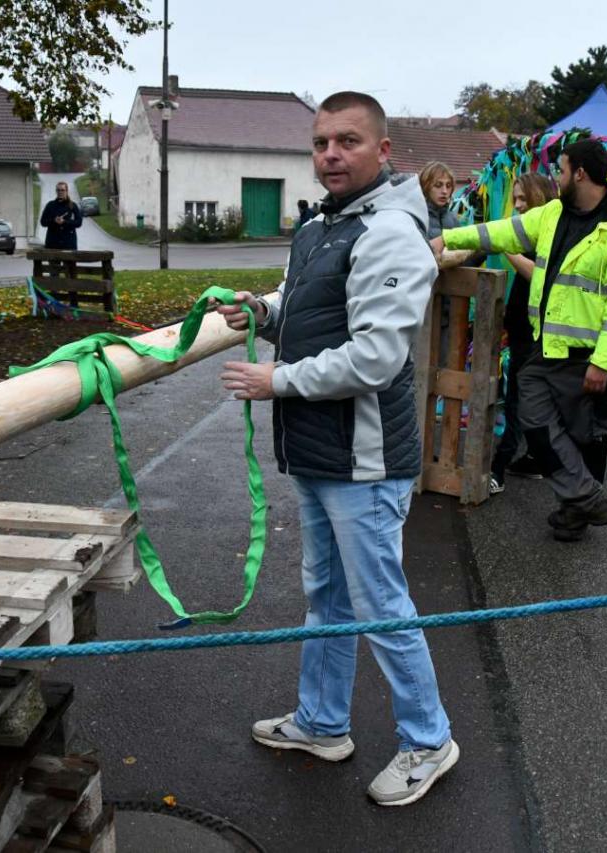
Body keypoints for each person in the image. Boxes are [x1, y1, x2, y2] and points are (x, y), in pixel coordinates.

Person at [215, 90, 458, 807]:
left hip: (366, 461)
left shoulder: (389, 231)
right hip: (320, 453)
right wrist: (262, 311)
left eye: (347, 141)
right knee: (327, 597)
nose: (330, 154)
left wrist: (276, 380)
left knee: (381, 605)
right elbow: (307, 302)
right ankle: (322, 723)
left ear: (383, 151)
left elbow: (377, 357)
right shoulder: (323, 225)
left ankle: (429, 740)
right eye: (321, 142)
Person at [435, 139, 607, 541]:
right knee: (536, 419)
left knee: (583, 434)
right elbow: (504, 232)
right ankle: (586, 497)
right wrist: (449, 239)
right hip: (550, 347)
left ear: (580, 174)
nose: (556, 177)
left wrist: (602, 363)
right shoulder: (555, 213)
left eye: (561, 170)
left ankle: (574, 513)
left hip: (590, 354)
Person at [489, 172, 558, 494]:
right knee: (523, 397)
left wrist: (509, 250)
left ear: (538, 197)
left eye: (522, 198)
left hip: (534, 332)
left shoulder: (550, 233)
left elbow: (540, 276)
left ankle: (498, 470)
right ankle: (537, 458)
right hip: (520, 328)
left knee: (518, 398)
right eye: (515, 198)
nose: (517, 204)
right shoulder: (528, 232)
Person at [419, 161, 459, 238]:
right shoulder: (417, 218)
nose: (445, 191)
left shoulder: (454, 219)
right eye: (438, 185)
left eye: (448, 186)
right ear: (425, 187)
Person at [40, 181, 83, 249]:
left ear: (66, 191)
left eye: (62, 190)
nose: (60, 192)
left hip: (69, 243)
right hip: (52, 243)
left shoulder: (73, 205)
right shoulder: (50, 205)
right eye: (58, 190)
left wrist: (65, 222)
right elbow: (43, 222)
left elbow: (79, 222)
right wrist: (54, 221)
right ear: (56, 191)